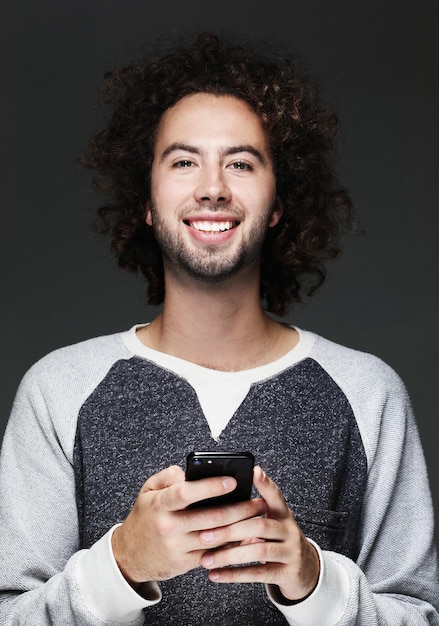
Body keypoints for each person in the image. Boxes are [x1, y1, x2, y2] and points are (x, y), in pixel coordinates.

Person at [0, 30, 438, 626]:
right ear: (147, 202)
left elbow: (421, 614)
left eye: (240, 162)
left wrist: (316, 581)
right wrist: (120, 565)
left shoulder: (369, 393)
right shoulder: (57, 390)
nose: (212, 187)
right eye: (184, 161)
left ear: (278, 201)